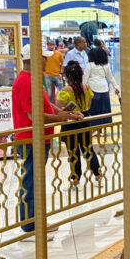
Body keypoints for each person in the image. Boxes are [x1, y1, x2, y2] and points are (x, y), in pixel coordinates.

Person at [12, 44, 83, 239]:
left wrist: (62, 113)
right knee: (31, 181)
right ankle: (29, 226)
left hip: (39, 138)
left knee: (35, 180)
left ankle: (35, 220)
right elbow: (34, 115)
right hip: (31, 139)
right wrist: (60, 118)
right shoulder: (26, 82)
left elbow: (45, 103)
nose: (47, 60)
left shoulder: (34, 79)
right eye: (44, 57)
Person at [57, 62, 100, 185]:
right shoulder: (87, 88)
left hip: (70, 122)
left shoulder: (65, 91)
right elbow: (88, 106)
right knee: (88, 149)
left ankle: (76, 179)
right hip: (85, 120)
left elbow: (60, 110)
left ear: (68, 76)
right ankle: (97, 174)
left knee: (73, 151)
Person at [83, 44, 120, 126]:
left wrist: (83, 90)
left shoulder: (90, 65)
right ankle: (102, 128)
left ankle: (94, 127)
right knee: (104, 110)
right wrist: (116, 87)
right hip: (104, 88)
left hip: (93, 89)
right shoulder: (106, 65)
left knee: (93, 109)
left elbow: (85, 79)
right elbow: (111, 77)